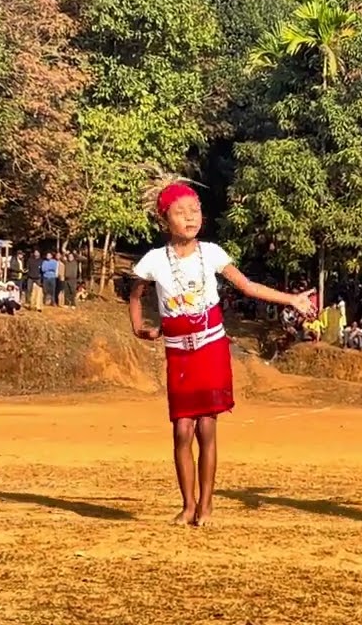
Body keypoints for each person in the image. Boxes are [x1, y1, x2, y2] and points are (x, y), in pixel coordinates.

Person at [129, 175, 315, 528]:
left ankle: (206, 506)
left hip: (211, 348)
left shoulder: (212, 253)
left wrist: (291, 299)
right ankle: (187, 505)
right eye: (181, 212)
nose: (190, 217)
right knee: (181, 430)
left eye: (195, 210)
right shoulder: (153, 261)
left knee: (206, 428)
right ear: (164, 220)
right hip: (179, 354)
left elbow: (247, 286)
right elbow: (136, 296)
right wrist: (139, 328)